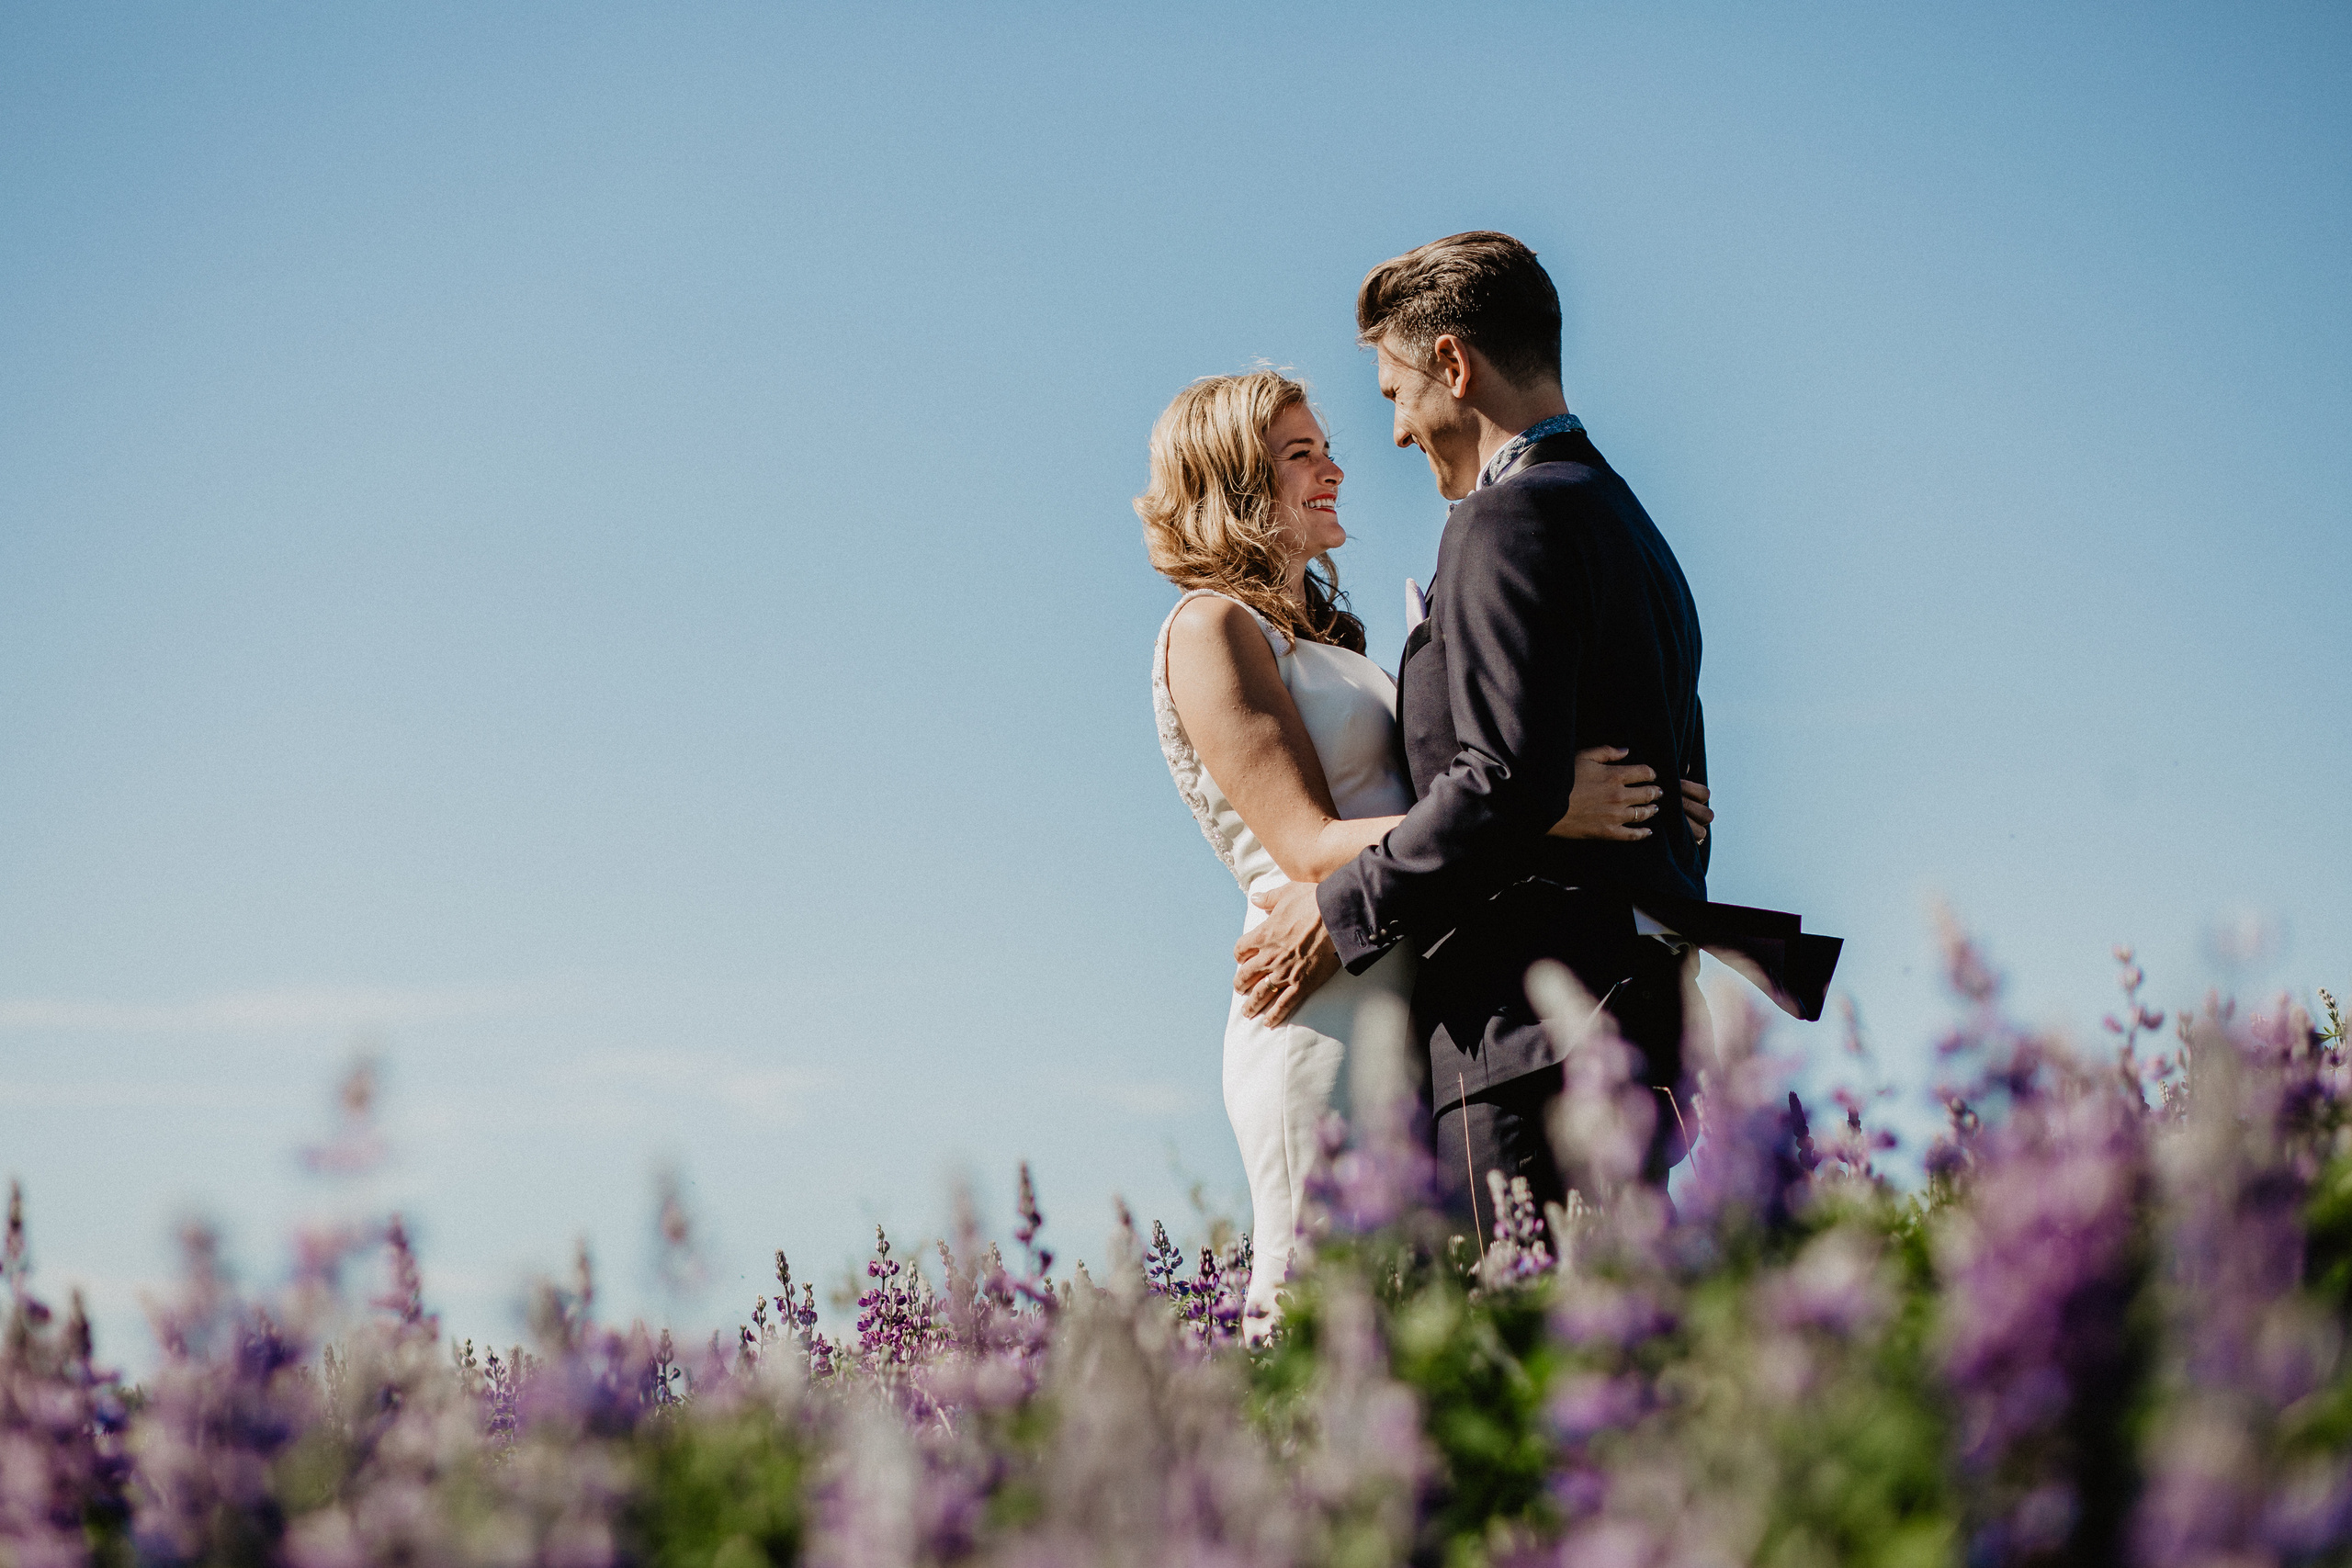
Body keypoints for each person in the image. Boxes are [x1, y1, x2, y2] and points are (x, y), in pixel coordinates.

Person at [1233, 232, 1839, 1227]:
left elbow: (1499, 781)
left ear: (1453, 366)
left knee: (1518, 1353)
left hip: (1528, 1036)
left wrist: (1341, 908)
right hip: (1637, 1023)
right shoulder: (1633, 527)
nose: (1393, 433)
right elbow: (1678, 801)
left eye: (1394, 395)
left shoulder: (1501, 521)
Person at [1138, 368, 1712, 1329]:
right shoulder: (1209, 627)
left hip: (1409, 991)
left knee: (1410, 1315)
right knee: (1317, 1290)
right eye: (1299, 454)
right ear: (1231, 481)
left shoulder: (1334, 641)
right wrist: (1547, 808)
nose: (1334, 469)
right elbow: (1308, 840)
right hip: (1324, 1006)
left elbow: (1454, 782)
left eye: (1324, 447)